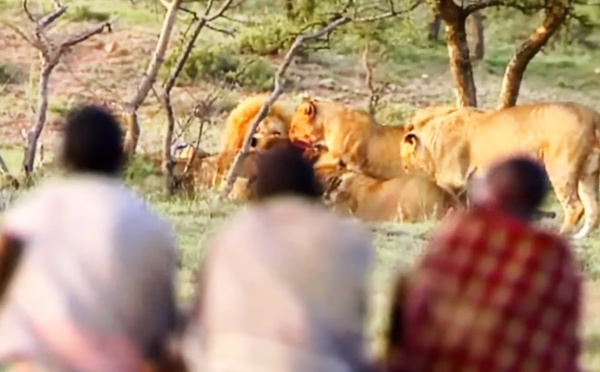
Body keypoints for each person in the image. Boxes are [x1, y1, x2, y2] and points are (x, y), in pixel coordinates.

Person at [0, 105, 179, 371]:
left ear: (64, 155)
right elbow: (161, 328)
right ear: (121, 156)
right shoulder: (151, 227)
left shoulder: (33, 212)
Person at [182, 141, 374, 372]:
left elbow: (196, 326)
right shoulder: (348, 240)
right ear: (313, 188)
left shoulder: (231, 235)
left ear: (259, 192)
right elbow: (355, 327)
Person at [379, 156, 583, 371]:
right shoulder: (554, 253)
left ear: (495, 189)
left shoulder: (464, 231)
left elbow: (418, 307)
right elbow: (562, 340)